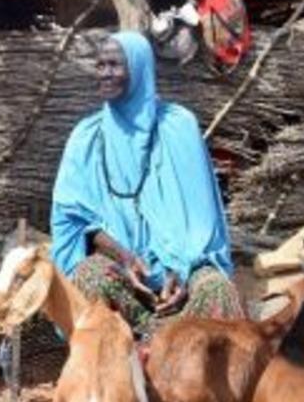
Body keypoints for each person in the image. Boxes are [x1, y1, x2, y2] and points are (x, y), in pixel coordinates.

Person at [50, 31, 243, 337]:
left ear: (139, 68)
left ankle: (183, 360)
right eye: (100, 65)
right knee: (90, 278)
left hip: (182, 271)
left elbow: (200, 218)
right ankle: (141, 348)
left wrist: (180, 268)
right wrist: (125, 258)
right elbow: (74, 219)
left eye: (114, 64)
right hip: (123, 272)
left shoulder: (178, 127)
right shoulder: (85, 137)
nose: (104, 74)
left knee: (216, 289)